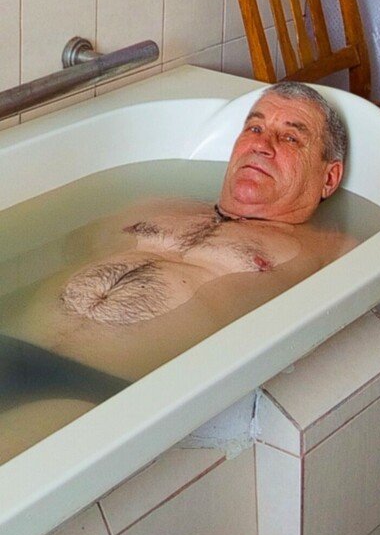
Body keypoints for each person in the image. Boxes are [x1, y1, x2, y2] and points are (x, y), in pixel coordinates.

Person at [0, 83, 354, 461]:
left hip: (99, 388)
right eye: (254, 128)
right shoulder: (156, 204)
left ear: (329, 178)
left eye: (290, 138)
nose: (262, 144)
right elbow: (56, 254)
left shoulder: (324, 249)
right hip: (13, 342)